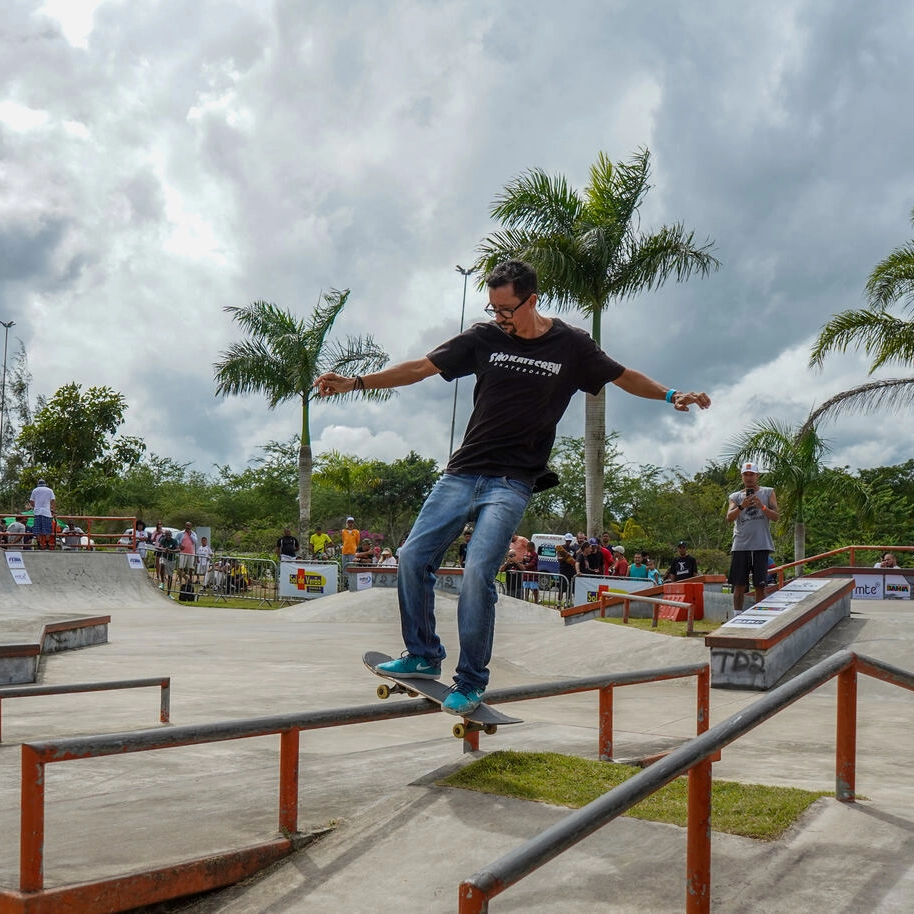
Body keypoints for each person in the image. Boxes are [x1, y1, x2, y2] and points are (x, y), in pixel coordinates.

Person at [313, 257, 710, 714]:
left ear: (532, 301)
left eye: (506, 309)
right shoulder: (483, 338)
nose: (498, 317)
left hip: (512, 481)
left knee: (480, 569)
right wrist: (356, 382)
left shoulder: (571, 345)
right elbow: (421, 368)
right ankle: (423, 654)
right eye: (493, 307)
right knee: (412, 558)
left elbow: (622, 376)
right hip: (462, 472)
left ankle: (471, 679)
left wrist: (669, 394)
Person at [727, 461, 779, 615]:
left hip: (761, 544)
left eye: (752, 474)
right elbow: (729, 517)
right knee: (739, 584)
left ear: (757, 475)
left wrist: (762, 506)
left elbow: (776, 516)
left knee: (760, 585)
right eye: (746, 474)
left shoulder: (768, 492)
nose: (749, 478)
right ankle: (736, 615)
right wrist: (742, 506)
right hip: (741, 545)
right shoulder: (735, 496)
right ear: (742, 476)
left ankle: (760, 616)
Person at [27, 478, 57, 550]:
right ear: (45, 484)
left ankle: (38, 544)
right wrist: (53, 510)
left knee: (37, 529)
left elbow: (31, 501)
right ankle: (46, 543)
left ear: (38, 484)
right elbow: (53, 501)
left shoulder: (35, 490)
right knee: (47, 529)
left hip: (37, 512)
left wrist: (36, 506)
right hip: (46, 512)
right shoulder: (49, 490)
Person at [157, 527, 179, 594]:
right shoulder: (163, 540)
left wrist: (171, 551)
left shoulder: (174, 541)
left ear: (171, 535)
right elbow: (158, 547)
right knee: (162, 565)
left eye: (169, 535)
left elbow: (178, 549)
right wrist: (163, 549)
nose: (168, 536)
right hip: (164, 557)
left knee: (170, 575)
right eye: (166, 535)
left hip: (171, 559)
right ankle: (162, 582)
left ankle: (169, 592)